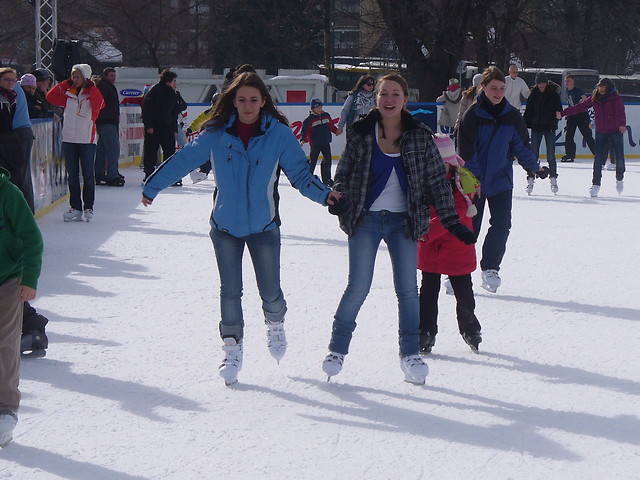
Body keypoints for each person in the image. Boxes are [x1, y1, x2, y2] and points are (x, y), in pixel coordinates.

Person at [141, 72, 341, 386]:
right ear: (233, 101)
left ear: (264, 102)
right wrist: (152, 186)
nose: (247, 106)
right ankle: (232, 347)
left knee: (271, 293)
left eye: (254, 99)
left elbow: (301, 176)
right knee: (230, 292)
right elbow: (185, 160)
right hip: (224, 226)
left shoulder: (278, 134)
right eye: (242, 99)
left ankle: (275, 324)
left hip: (263, 226)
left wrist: (325, 196)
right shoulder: (217, 131)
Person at [321, 74, 475, 386]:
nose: (389, 99)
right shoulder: (362, 132)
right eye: (383, 94)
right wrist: (341, 200)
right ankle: (337, 349)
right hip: (365, 220)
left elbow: (436, 182)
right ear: (376, 99)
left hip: (404, 222)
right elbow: (345, 174)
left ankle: (409, 353)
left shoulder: (420, 135)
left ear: (405, 99)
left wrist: (452, 222)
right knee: (357, 287)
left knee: (407, 290)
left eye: (395, 94)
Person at [458, 67, 546, 293]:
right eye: (493, 88)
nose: (498, 93)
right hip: (474, 182)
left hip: (501, 181)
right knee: (470, 227)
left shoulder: (511, 115)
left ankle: (490, 268)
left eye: (501, 89)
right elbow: (467, 153)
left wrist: (534, 167)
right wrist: (474, 180)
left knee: (502, 225)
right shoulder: (473, 115)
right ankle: (457, 269)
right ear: (483, 88)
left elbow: (520, 146)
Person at [418, 134, 482, 354]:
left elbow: (456, 214)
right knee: (428, 291)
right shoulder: (423, 182)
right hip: (431, 249)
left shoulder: (461, 184)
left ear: (449, 161)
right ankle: (425, 331)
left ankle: (470, 328)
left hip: (455, 245)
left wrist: (426, 232)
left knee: (463, 291)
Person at [0, 166, 44, 448]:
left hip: (7, 279)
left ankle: (5, 410)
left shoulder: (9, 195)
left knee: (4, 341)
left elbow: (32, 239)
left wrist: (29, 279)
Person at [46, 63, 105, 222]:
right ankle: (76, 207)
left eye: (77, 76)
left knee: (88, 175)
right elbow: (50, 96)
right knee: (72, 175)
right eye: (73, 76)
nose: (74, 79)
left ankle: (88, 207)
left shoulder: (92, 94)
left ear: (85, 77)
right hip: (69, 140)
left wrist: (90, 86)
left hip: (87, 140)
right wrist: (66, 83)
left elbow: (99, 105)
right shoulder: (68, 94)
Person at [558, 78, 626, 197]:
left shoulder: (615, 98)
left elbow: (621, 112)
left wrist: (622, 124)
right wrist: (563, 113)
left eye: (603, 86)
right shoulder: (595, 97)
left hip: (615, 131)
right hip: (601, 132)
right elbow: (580, 107)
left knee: (619, 158)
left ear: (608, 87)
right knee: (598, 159)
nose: (601, 89)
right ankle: (595, 184)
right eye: (599, 86)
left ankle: (620, 178)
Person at [523, 72, 563, 195]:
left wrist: (558, 114)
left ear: (546, 83)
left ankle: (553, 179)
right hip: (536, 128)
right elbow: (529, 111)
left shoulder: (553, 94)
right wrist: (524, 125)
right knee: (533, 155)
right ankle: (530, 179)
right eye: (539, 83)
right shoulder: (533, 95)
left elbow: (559, 108)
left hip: (549, 127)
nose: (541, 85)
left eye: (543, 82)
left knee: (551, 154)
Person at [141, 69, 179, 183]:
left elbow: (174, 112)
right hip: (157, 126)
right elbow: (147, 110)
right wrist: (149, 126)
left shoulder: (171, 93)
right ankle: (151, 174)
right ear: (168, 81)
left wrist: (174, 128)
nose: (175, 84)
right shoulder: (155, 91)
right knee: (154, 151)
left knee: (165, 152)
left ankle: (162, 174)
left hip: (164, 126)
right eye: (174, 81)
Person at [95, 67, 124, 187]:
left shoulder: (108, 87)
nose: (114, 78)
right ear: (106, 76)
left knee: (102, 150)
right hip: (106, 122)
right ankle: (111, 175)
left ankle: (100, 174)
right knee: (113, 149)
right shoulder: (104, 87)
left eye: (114, 75)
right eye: (111, 75)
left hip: (107, 121)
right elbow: (99, 103)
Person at [300, 97, 338, 186]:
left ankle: (327, 179)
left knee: (327, 159)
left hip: (325, 142)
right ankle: (308, 178)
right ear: (312, 109)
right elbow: (304, 131)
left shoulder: (326, 115)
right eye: (317, 107)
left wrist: (336, 131)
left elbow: (331, 126)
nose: (319, 109)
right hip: (315, 144)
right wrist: (303, 139)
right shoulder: (309, 120)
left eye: (320, 107)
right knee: (312, 161)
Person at [561, 74, 595, 163]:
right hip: (572, 116)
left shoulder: (578, 90)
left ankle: (597, 154)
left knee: (587, 135)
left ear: (573, 82)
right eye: (565, 81)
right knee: (569, 135)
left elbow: (585, 98)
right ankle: (570, 155)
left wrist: (583, 100)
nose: (566, 83)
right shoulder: (567, 90)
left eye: (568, 81)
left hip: (581, 115)